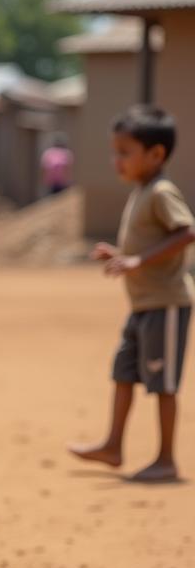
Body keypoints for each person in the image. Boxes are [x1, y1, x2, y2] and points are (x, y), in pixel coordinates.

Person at [69, 105, 195, 481]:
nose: (116, 161)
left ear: (156, 154)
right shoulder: (141, 191)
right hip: (141, 305)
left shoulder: (161, 191)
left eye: (124, 152)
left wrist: (138, 261)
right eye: (114, 152)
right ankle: (113, 445)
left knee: (163, 385)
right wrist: (122, 257)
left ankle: (166, 459)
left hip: (167, 303)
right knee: (123, 371)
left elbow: (187, 232)